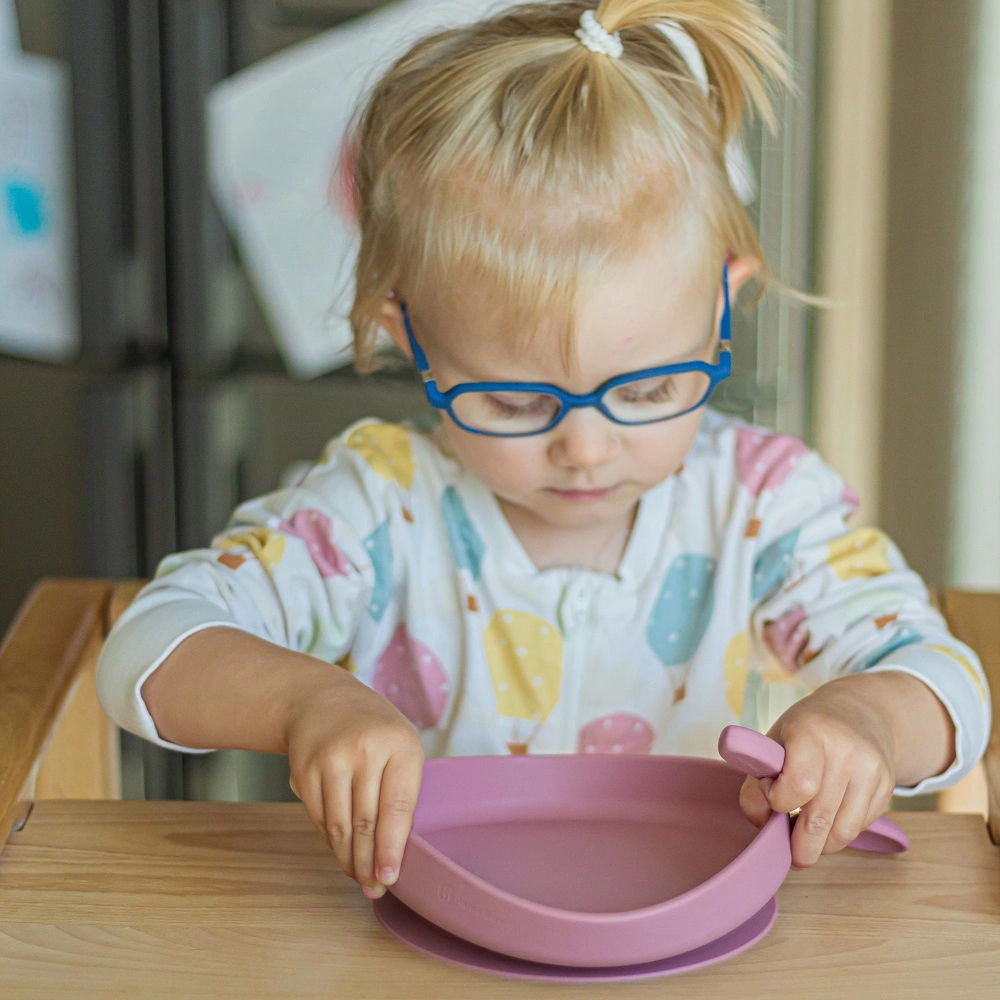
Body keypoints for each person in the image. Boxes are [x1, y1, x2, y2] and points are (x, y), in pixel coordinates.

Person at [96, 0, 990, 904]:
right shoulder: (376, 506)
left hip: (686, 932)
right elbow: (148, 645)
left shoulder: (760, 505)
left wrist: (868, 720)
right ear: (408, 336)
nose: (586, 449)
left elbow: (948, 683)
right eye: (516, 402)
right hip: (419, 934)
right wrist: (305, 704)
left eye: (647, 391)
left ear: (724, 305)